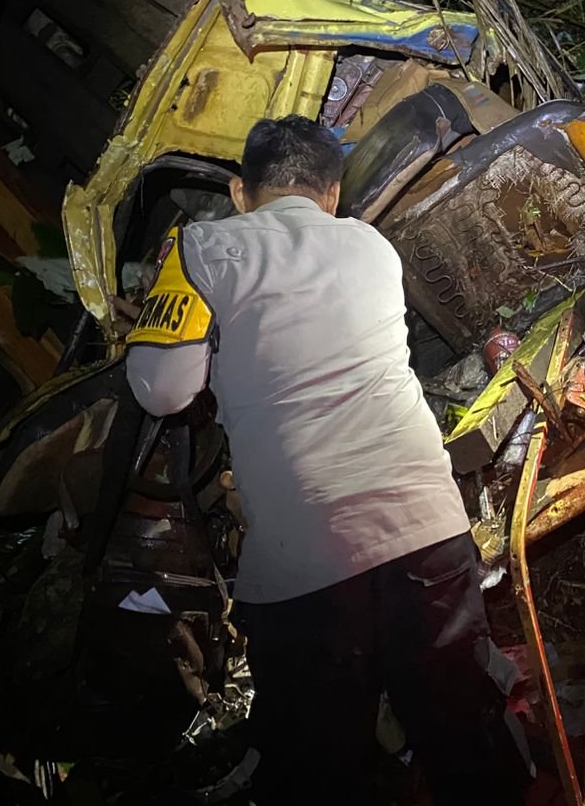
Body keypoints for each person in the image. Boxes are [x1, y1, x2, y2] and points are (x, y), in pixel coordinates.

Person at [125, 115, 526, 805]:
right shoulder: (371, 246)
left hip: (309, 570)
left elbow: (164, 389)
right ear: (334, 194)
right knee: (462, 741)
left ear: (240, 192)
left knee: (320, 774)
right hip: (429, 536)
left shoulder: (200, 245)